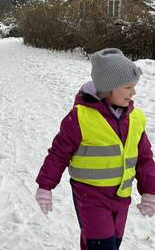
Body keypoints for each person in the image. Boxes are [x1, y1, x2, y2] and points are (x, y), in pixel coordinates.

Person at [35, 48, 155, 250]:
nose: (133, 92)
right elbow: (58, 153)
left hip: (121, 197)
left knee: (109, 243)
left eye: (134, 87)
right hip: (89, 196)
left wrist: (149, 192)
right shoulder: (80, 118)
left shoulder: (136, 119)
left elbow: (144, 158)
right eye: (128, 87)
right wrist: (45, 186)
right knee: (102, 246)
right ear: (108, 88)